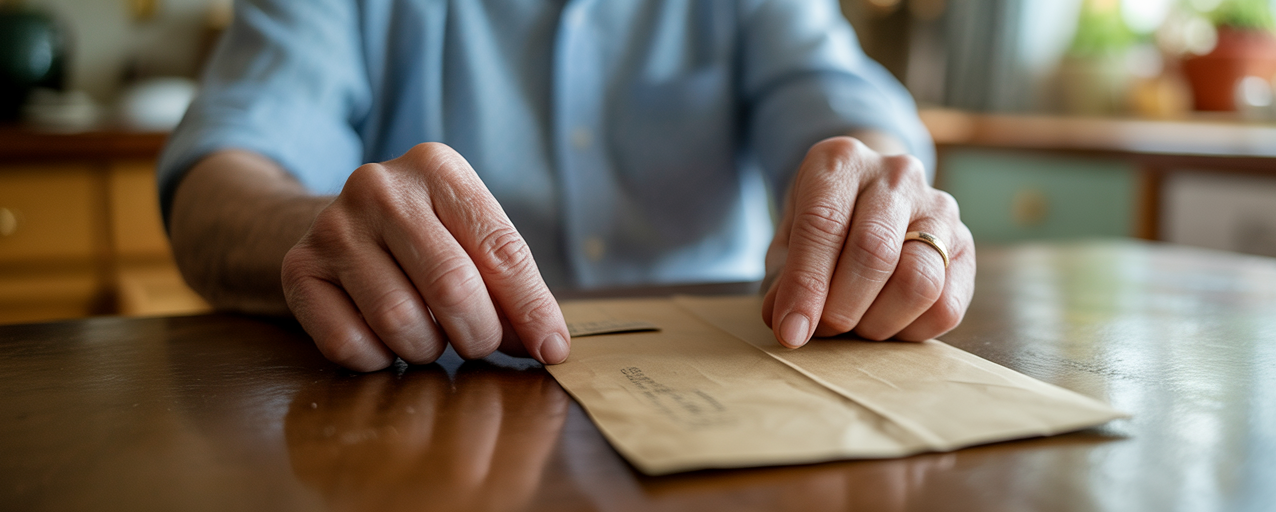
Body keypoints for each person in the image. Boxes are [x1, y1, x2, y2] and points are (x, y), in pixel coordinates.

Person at [159, 0, 975, 372]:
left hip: (733, 397)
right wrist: (320, 229)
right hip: (432, 414)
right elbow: (219, 176)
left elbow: (847, 106)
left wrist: (872, 182)